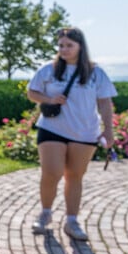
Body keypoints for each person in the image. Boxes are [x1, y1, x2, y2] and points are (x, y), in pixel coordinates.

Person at [27, 27, 116, 241]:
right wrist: (49, 99)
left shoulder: (96, 73)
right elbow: (32, 92)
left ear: (80, 47)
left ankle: (72, 221)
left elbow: (104, 102)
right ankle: (45, 213)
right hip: (52, 128)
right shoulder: (49, 69)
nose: (64, 49)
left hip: (85, 132)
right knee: (52, 172)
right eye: (61, 45)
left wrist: (109, 129)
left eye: (69, 45)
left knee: (75, 176)